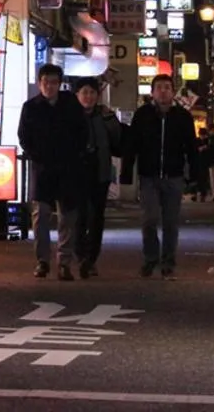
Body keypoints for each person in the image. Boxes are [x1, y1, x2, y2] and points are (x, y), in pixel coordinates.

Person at [120, 74, 197, 279]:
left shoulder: (183, 117)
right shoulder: (142, 115)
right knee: (149, 219)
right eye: (159, 87)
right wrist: (126, 172)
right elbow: (132, 146)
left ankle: (168, 261)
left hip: (174, 176)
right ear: (152, 92)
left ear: (173, 92)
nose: (163, 91)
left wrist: (196, 177)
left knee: (171, 222)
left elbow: (191, 148)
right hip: (149, 176)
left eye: (167, 87)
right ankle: (150, 258)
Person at [18, 63, 88, 281]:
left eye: (54, 82)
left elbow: (82, 132)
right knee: (41, 216)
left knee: (68, 216)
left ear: (60, 84)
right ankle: (42, 261)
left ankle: (64, 262)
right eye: (46, 82)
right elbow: (24, 136)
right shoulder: (31, 107)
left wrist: (76, 155)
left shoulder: (70, 104)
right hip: (43, 169)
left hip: (68, 169)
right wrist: (36, 156)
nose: (49, 86)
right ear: (40, 83)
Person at [73, 78, 124, 279]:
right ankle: (80, 256)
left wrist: (111, 120)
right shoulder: (71, 117)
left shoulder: (105, 117)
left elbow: (118, 141)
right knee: (79, 217)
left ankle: (91, 258)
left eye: (92, 92)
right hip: (76, 173)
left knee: (96, 218)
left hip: (99, 172)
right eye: (84, 92)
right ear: (77, 95)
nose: (88, 96)